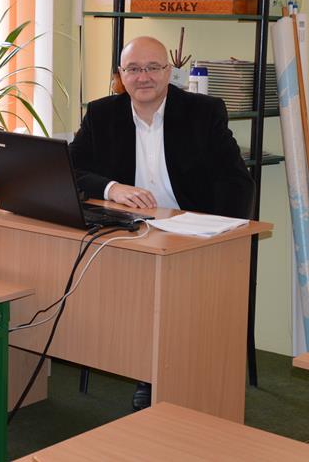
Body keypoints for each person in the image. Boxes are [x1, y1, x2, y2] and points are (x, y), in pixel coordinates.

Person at [69, 36, 255, 409]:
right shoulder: (102, 114)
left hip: (190, 230)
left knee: (163, 286)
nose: (143, 77)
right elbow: (70, 169)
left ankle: (153, 374)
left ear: (169, 71)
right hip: (130, 229)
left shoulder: (203, 112)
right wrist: (112, 187)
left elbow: (237, 181)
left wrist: (218, 231)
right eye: (133, 69)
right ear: (121, 74)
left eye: (153, 67)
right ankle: (133, 360)